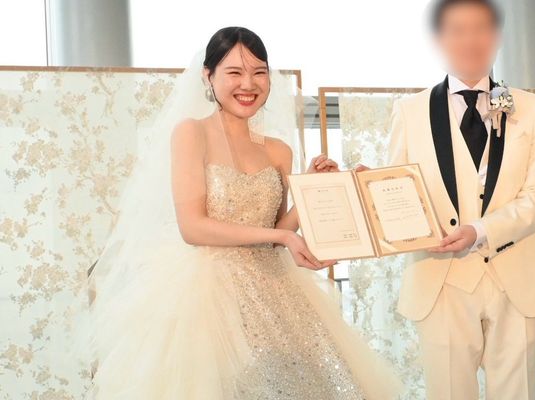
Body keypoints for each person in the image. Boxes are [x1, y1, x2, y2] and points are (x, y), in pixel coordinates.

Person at [86, 27, 402, 399]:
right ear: (208, 76)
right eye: (234, 72)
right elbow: (193, 227)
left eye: (259, 72)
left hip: (274, 291)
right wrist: (281, 235)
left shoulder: (278, 150)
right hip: (208, 294)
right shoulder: (191, 133)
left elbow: (276, 234)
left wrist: (312, 191)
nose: (248, 84)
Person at [378, 0, 535, 398]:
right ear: (439, 39)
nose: (470, 40)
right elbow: (397, 190)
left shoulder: (531, 109)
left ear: (497, 36)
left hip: (516, 276)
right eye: (457, 30)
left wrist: (480, 230)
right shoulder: (409, 111)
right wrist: (371, 187)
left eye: (481, 29)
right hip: (440, 278)